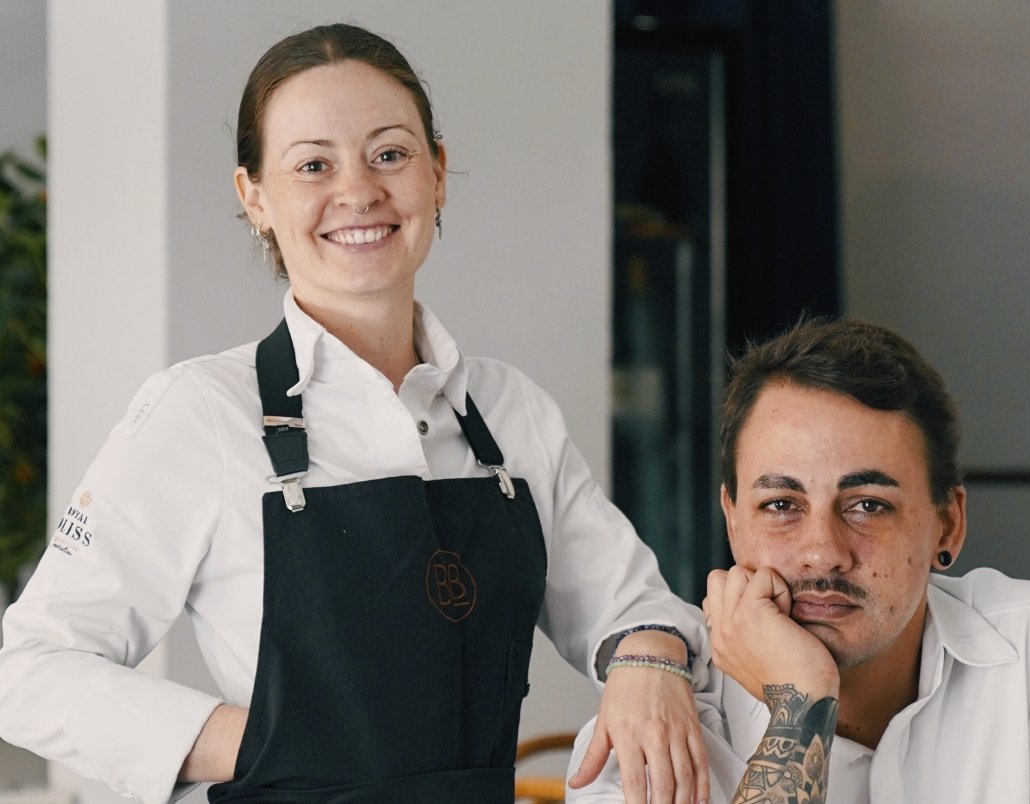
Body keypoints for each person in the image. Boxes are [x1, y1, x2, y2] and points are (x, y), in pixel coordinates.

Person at [0, 24, 711, 804]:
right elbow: (27, 670)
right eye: (313, 164)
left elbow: (629, 602)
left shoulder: (509, 412)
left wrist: (648, 661)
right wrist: (260, 742)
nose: (360, 191)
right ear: (255, 198)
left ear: (437, 173)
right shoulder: (198, 412)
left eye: (391, 153)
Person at [567, 317, 1030, 803]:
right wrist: (799, 703)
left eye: (868, 505)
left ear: (947, 524)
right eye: (780, 504)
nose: (822, 550)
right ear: (733, 520)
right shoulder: (653, 720)